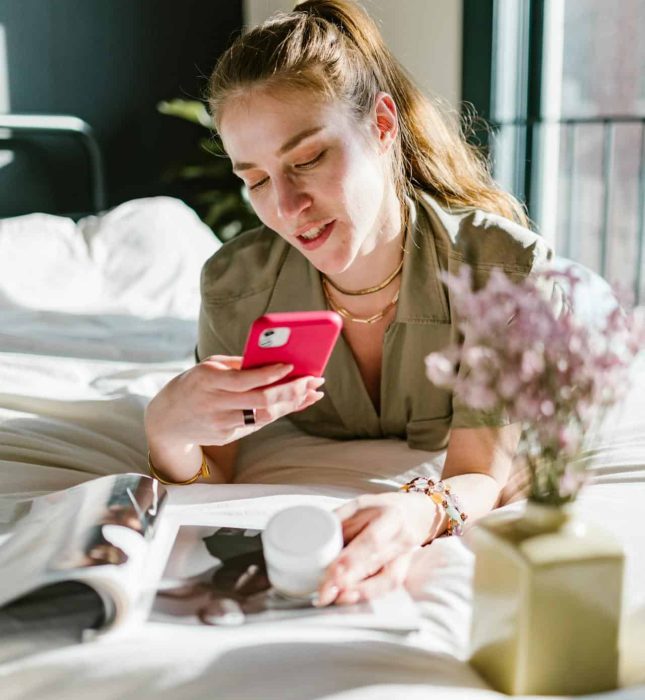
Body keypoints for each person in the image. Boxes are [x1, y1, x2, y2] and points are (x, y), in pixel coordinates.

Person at [145, 0, 555, 607]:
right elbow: (215, 470)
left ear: (382, 126)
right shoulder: (235, 286)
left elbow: (481, 470)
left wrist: (420, 512)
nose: (285, 206)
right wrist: (166, 434)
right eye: (254, 179)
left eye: (308, 158)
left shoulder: (504, 271)